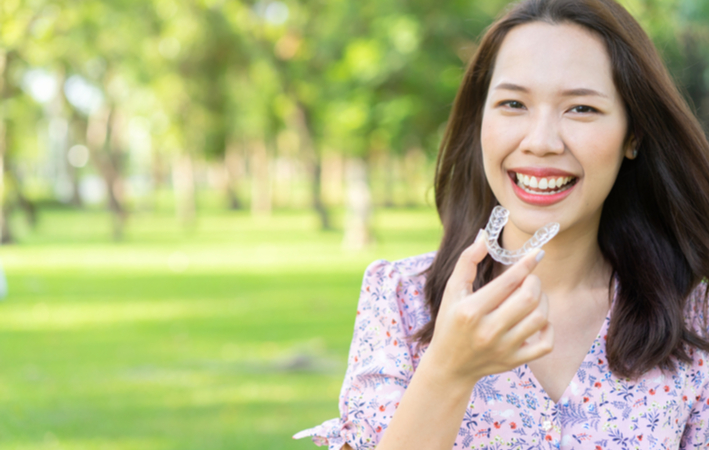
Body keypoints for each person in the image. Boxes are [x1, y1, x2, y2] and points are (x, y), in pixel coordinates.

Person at [294, 0, 709, 448]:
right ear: (480, 121)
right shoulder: (399, 300)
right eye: (513, 103)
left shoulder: (694, 315)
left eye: (581, 109)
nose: (541, 142)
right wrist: (449, 369)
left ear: (633, 135)